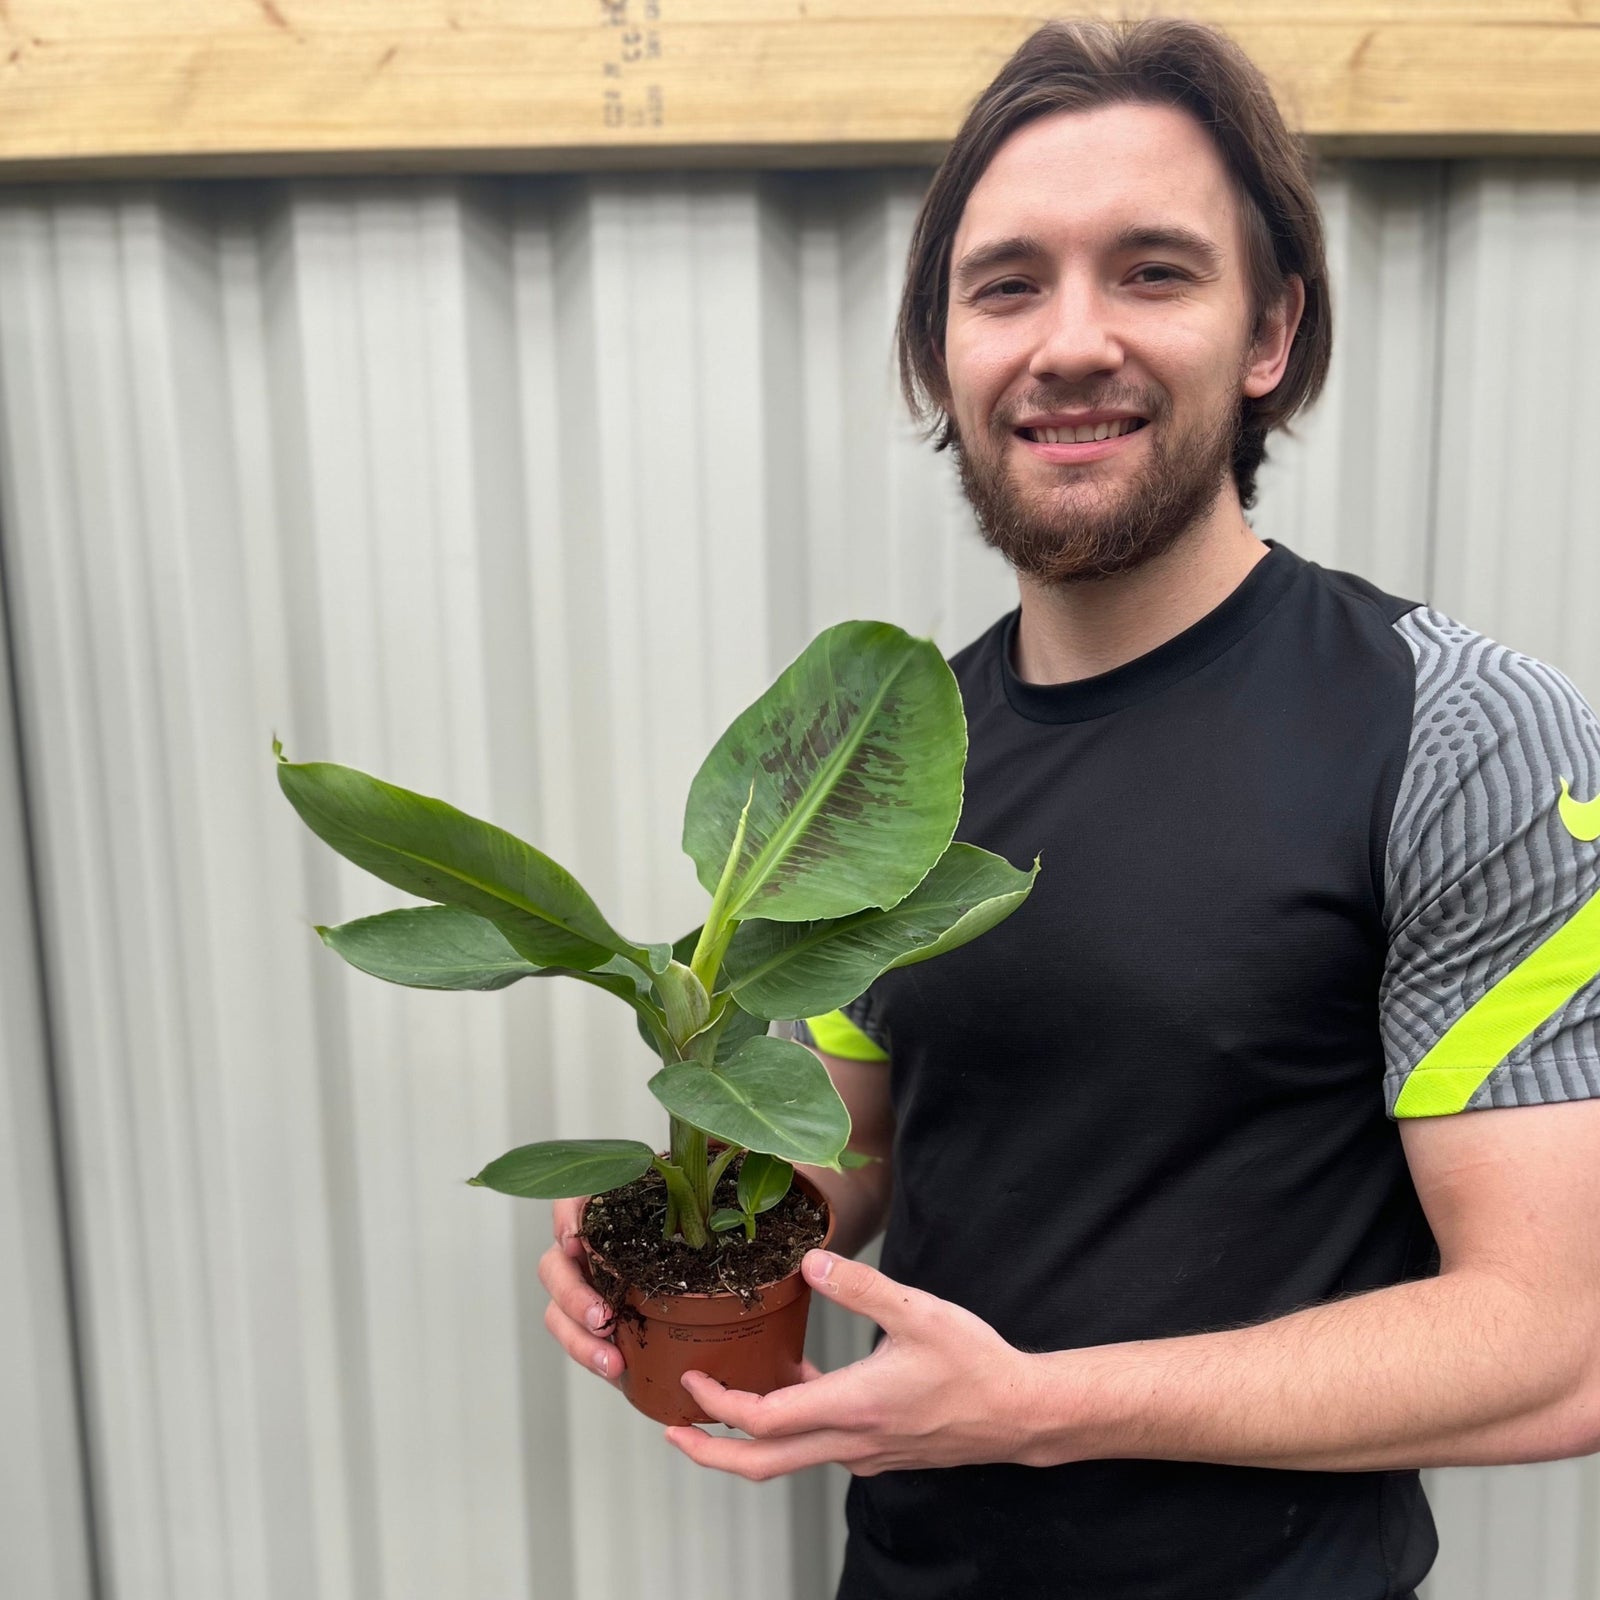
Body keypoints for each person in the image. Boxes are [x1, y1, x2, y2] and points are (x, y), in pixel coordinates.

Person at [540, 17, 1600, 1597]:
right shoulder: (895, 761)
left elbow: (1556, 1342)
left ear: (1270, 331)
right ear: (942, 353)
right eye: (1007, 285)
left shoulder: (1456, 733)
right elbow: (857, 1143)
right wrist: (675, 1224)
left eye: (1153, 272)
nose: (1072, 340)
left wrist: (1036, 1410)